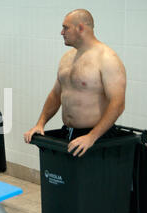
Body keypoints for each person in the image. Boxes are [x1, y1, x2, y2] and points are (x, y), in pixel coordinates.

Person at [23, 9, 126, 157]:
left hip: (97, 138)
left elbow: (118, 103)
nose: (61, 32)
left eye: (65, 27)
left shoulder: (107, 58)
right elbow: (56, 94)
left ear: (81, 28)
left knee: (90, 180)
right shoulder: (67, 57)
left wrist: (92, 137)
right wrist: (40, 123)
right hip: (70, 134)